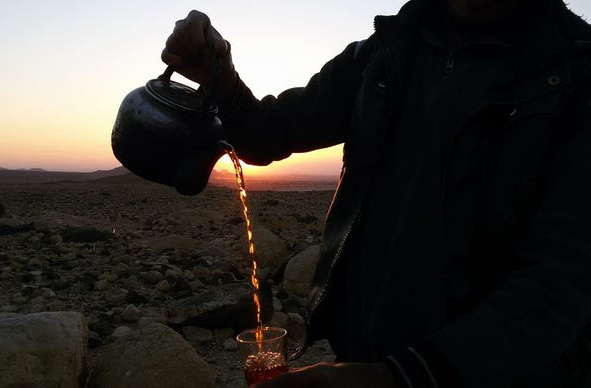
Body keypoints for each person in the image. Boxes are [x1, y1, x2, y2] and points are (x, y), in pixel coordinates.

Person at [162, 0, 591, 386]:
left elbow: (561, 284)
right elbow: (269, 133)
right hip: (367, 357)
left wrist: (399, 378)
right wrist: (220, 79)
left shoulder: (575, 73)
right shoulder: (386, 52)